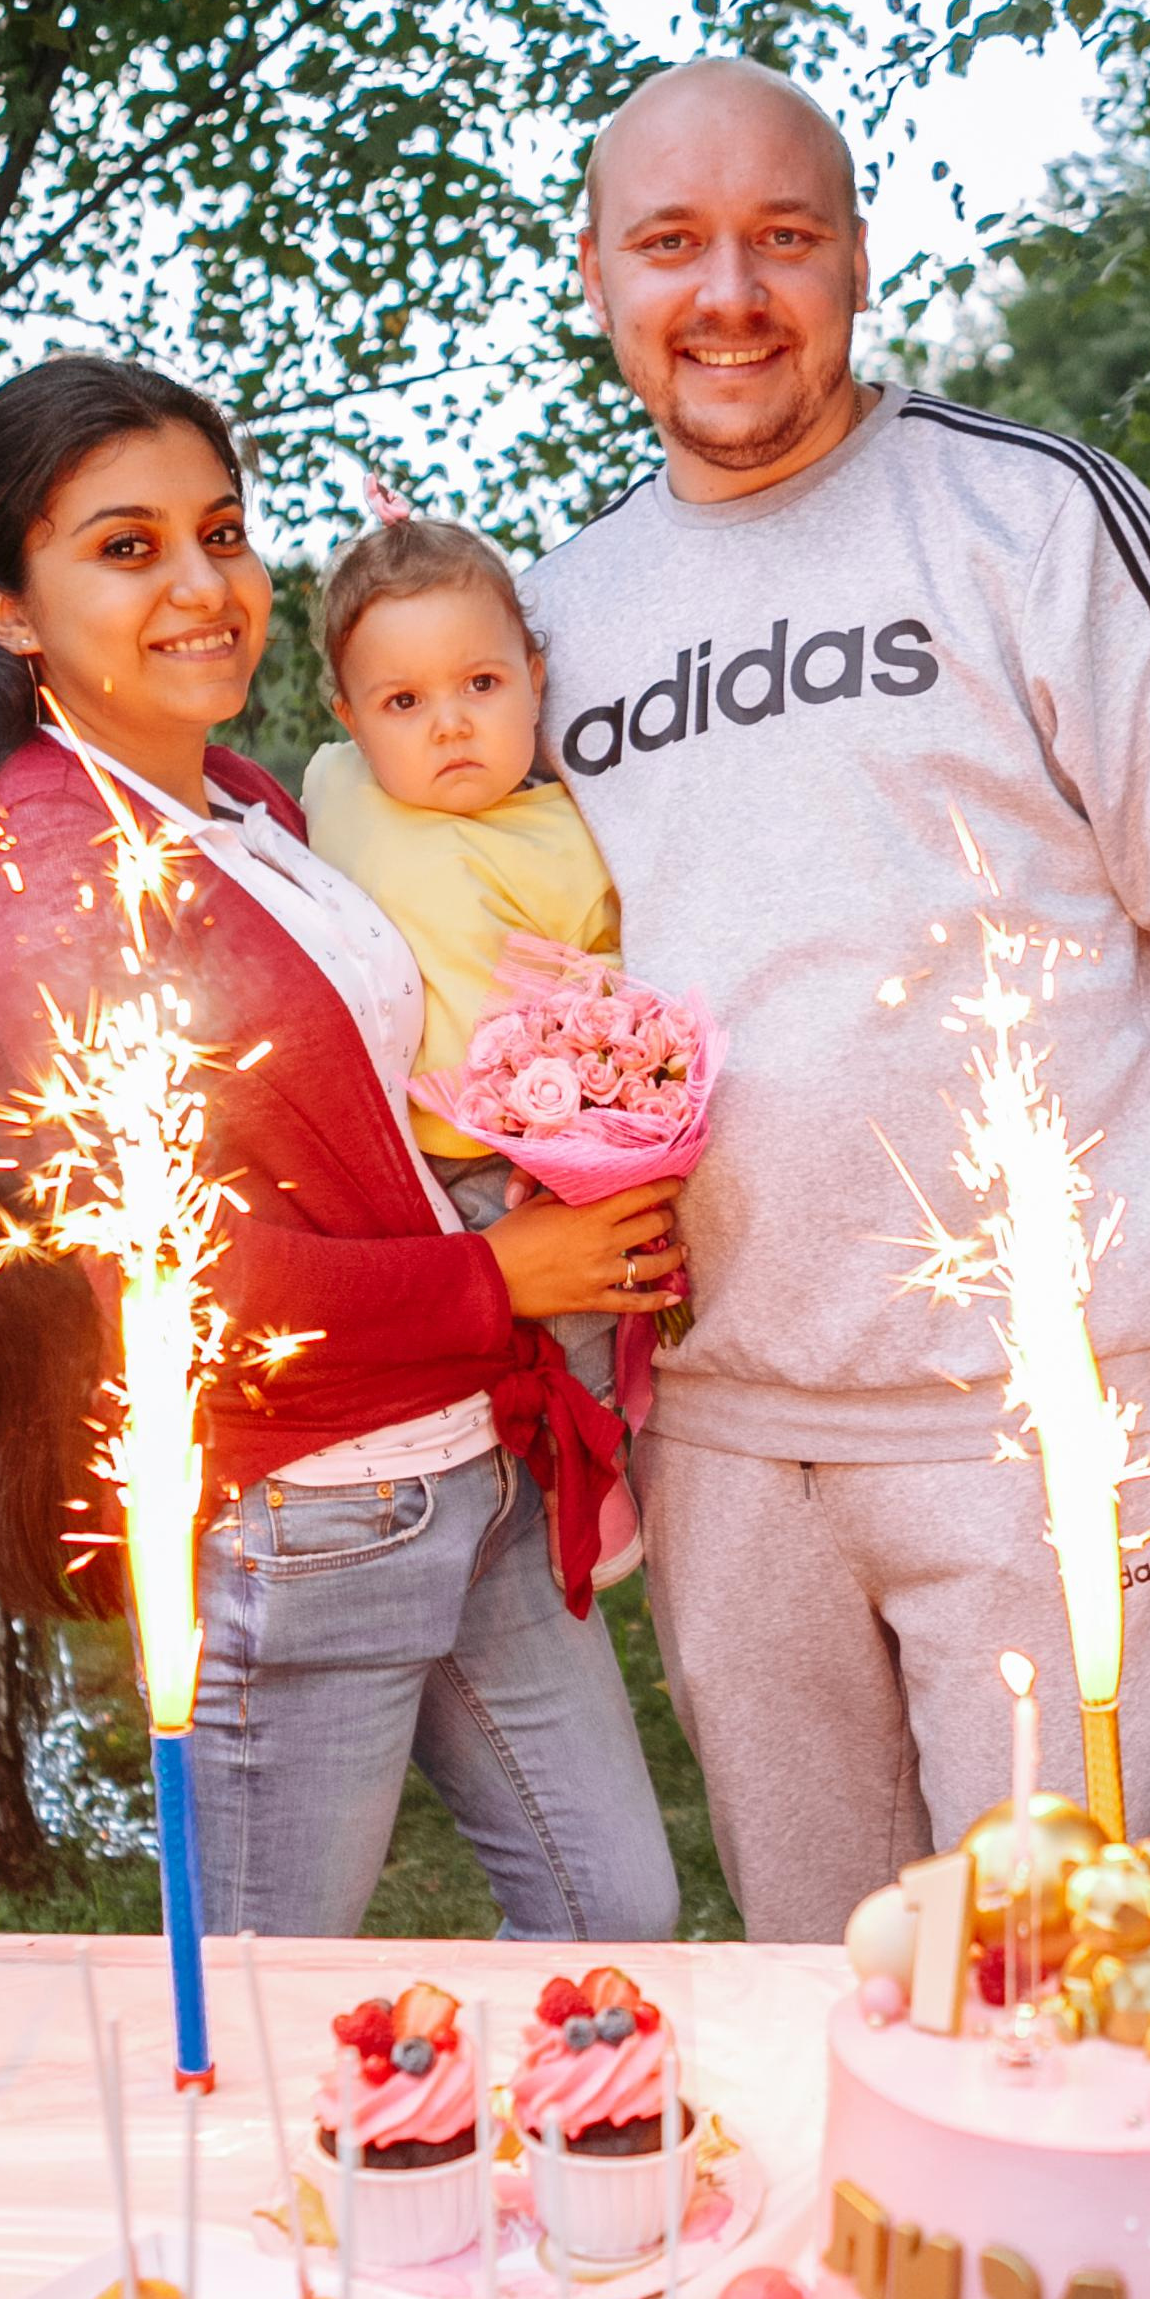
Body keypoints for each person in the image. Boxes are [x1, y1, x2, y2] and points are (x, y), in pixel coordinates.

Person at [531, 57, 1150, 1941]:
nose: (725, 294)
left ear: (854, 261)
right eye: (670, 244)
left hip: (1039, 1421)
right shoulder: (554, 617)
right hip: (721, 1436)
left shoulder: (1034, 522)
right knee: (822, 1986)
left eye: (781, 239)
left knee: (1064, 1978)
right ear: (595, 272)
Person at [0, 353, 685, 1942]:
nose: (202, 585)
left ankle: (512, 2189)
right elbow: (177, 1273)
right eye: (125, 547)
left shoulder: (250, 795)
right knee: (254, 1992)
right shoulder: (52, 865)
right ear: (6, 608)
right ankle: (288, 2201)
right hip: (311, 1504)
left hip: (471, 1458)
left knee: (617, 1915)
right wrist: (499, 1274)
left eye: (222, 530)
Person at [298, 501, 643, 1582]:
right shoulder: (328, 783)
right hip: (382, 1165)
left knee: (571, 1317)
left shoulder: (578, 836)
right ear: (347, 714)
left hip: (514, 1152)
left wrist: (580, 1143)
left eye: (480, 685)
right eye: (404, 700)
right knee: (443, 1347)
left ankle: (595, 1453)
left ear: (534, 676)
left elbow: (612, 1005)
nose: (448, 724)